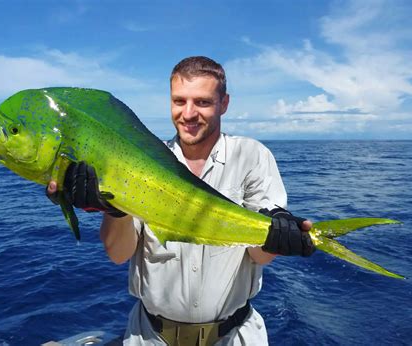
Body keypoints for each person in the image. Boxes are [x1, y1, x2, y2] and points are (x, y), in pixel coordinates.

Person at [47, 56, 315, 345]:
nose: (188, 113)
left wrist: (277, 238)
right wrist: (113, 210)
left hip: (234, 336)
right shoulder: (141, 164)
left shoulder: (251, 157)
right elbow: (118, 255)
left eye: (202, 102)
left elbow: (259, 256)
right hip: (150, 337)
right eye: (179, 101)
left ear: (224, 104)